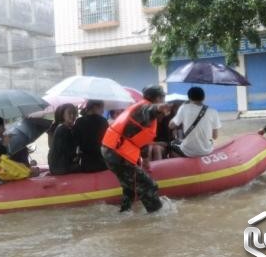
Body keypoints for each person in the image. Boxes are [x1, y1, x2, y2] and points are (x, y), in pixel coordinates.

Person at [102, 85, 171, 213]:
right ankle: (157, 218)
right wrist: (159, 107)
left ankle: (124, 213)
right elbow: (149, 110)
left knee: (130, 187)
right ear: (157, 98)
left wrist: (145, 159)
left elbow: (140, 138)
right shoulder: (144, 107)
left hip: (113, 151)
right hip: (117, 153)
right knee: (149, 185)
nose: (164, 100)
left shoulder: (142, 110)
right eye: (162, 98)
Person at [169, 87, 222, 157]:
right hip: (207, 151)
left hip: (187, 152)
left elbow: (171, 126)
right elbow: (215, 136)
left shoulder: (184, 108)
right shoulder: (213, 111)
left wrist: (171, 115)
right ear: (204, 97)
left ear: (189, 98)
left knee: (172, 145)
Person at [73, 100, 109, 172]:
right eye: (101, 108)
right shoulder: (104, 121)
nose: (102, 111)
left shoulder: (79, 121)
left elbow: (75, 141)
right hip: (102, 162)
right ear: (95, 107)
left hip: (85, 163)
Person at [47, 103, 80, 175]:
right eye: (69, 113)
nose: (72, 116)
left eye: (74, 113)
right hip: (61, 168)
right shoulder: (63, 129)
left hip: (56, 167)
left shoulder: (61, 127)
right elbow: (68, 151)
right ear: (63, 115)